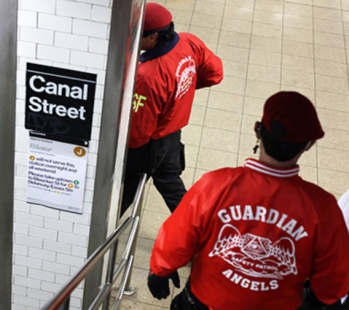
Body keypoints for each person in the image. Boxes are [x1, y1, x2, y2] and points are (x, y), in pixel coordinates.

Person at [147, 91, 349, 310]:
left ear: (257, 131)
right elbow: (334, 279)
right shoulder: (322, 207)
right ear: (308, 145)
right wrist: (320, 299)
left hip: (204, 303)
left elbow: (178, 235)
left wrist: (160, 270)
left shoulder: (215, 185)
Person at [121, 3, 223, 215]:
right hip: (172, 134)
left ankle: (105, 232)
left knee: (128, 187)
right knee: (170, 184)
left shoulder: (148, 75)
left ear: (154, 37)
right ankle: (198, 229)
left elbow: (138, 134)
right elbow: (215, 73)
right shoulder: (189, 41)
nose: (134, 39)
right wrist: (181, 92)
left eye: (139, 35)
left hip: (150, 145)